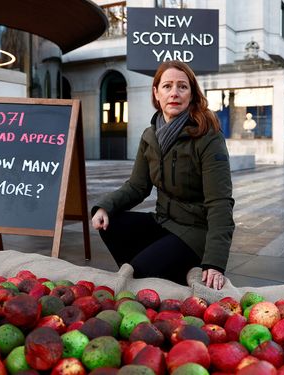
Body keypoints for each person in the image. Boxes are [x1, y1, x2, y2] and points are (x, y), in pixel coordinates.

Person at [91, 60, 235, 290]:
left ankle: (161, 271)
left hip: (195, 232)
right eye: (167, 86)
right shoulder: (151, 135)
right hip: (164, 222)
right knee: (112, 224)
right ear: (156, 93)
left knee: (138, 275)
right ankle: (161, 270)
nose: (174, 93)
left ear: (192, 94)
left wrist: (215, 263)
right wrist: (104, 207)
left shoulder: (208, 135)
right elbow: (137, 187)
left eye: (182, 86)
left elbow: (220, 202)